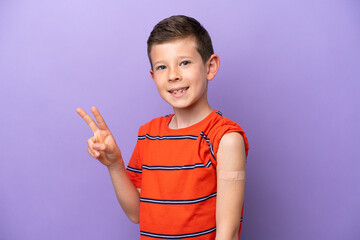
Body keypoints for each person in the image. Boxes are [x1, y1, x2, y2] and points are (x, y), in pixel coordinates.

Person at [76, 15, 249, 240]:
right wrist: (115, 164)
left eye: (184, 62)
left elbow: (229, 234)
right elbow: (136, 213)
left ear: (210, 67)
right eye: (162, 67)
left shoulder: (225, 138)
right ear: (153, 76)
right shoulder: (148, 135)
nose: (173, 75)